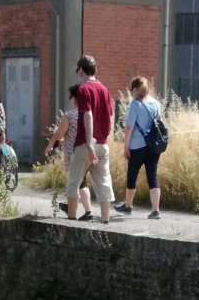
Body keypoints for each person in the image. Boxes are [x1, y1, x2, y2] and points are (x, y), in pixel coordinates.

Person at [67, 54, 114, 224]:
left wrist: (89, 145)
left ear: (81, 70)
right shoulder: (104, 89)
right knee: (103, 183)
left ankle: (71, 222)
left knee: (74, 182)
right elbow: (110, 115)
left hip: (86, 144)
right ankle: (105, 222)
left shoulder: (83, 89)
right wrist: (104, 137)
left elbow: (88, 115)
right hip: (103, 143)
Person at [115, 76, 162, 219]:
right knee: (152, 176)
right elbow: (158, 124)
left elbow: (129, 127)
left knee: (132, 175)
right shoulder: (156, 103)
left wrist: (126, 146)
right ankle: (155, 210)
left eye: (131, 89)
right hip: (153, 146)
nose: (131, 92)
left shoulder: (135, 104)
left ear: (135, 89)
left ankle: (128, 206)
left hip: (137, 145)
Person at [44, 85, 92, 219]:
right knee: (82, 181)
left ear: (74, 98)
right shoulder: (89, 113)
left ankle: (83, 212)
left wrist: (51, 143)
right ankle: (80, 209)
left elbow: (59, 133)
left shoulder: (70, 115)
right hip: (89, 151)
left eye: (71, 97)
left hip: (74, 153)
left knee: (77, 183)